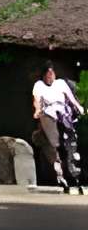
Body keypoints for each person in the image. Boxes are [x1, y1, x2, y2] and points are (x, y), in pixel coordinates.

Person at [31, 61, 82, 190]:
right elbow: (36, 100)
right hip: (48, 114)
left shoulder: (60, 83)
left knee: (69, 141)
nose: (50, 77)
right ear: (43, 75)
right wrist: (37, 110)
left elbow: (71, 97)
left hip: (63, 114)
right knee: (54, 145)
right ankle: (60, 174)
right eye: (47, 74)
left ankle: (74, 172)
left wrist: (78, 106)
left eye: (52, 73)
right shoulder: (39, 85)